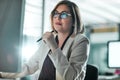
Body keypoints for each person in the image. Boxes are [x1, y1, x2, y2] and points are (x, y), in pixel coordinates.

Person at [0, 0, 90, 80]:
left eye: (64, 14)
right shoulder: (49, 39)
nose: (58, 18)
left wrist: (53, 46)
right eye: (56, 13)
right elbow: (28, 67)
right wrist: (1, 74)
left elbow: (71, 77)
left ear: (74, 21)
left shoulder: (81, 41)